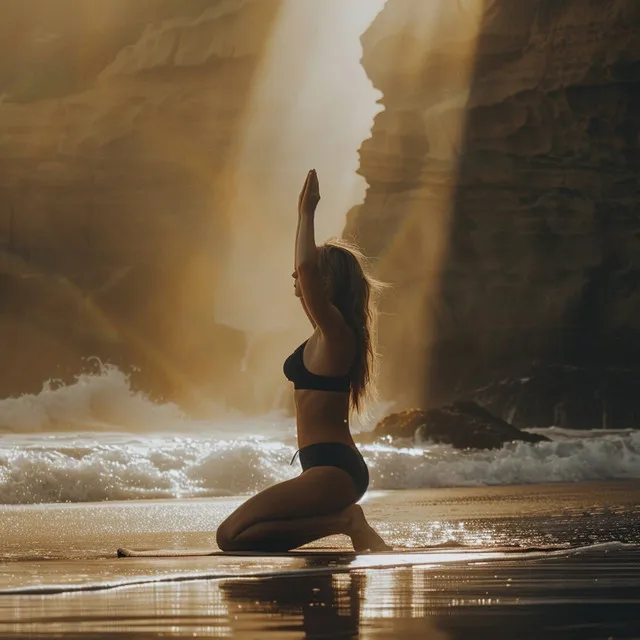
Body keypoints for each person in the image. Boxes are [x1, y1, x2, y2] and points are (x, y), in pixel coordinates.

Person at [216, 169, 390, 553]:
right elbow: (307, 280)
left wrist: (306, 213)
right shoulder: (324, 333)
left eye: (307, 271)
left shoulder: (337, 334)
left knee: (228, 537)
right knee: (236, 536)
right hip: (326, 469)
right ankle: (342, 520)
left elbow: (307, 273)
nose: (295, 273)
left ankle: (345, 521)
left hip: (334, 470)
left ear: (326, 283)